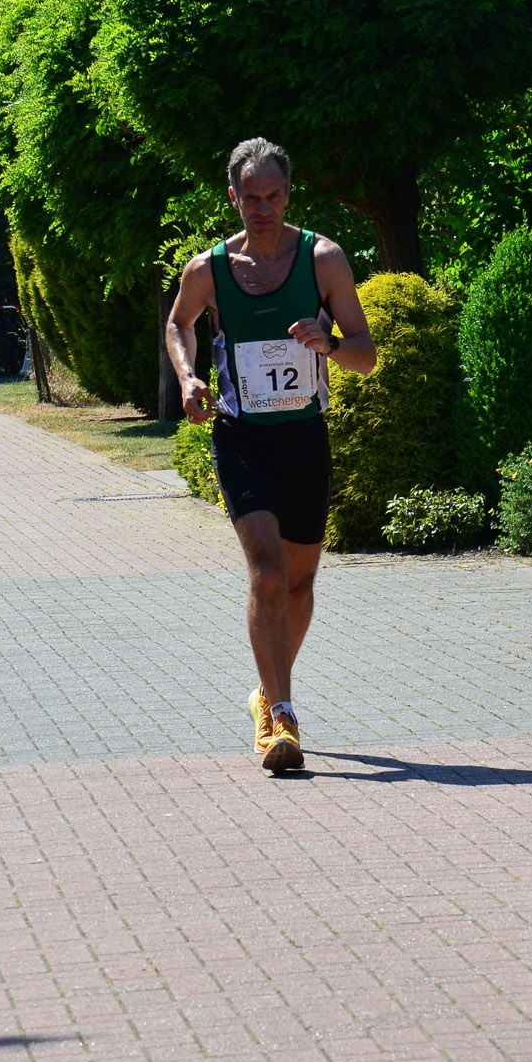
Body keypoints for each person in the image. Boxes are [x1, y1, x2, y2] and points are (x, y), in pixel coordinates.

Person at [166, 137, 376, 772]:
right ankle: (281, 716)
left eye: (273, 195)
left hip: (304, 437)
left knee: (301, 582)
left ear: (288, 194)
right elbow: (179, 323)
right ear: (234, 197)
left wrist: (330, 343)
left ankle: (266, 688)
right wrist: (188, 377)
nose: (262, 208)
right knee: (267, 573)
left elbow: (365, 354)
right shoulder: (208, 270)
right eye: (251, 197)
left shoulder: (323, 260)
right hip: (242, 436)